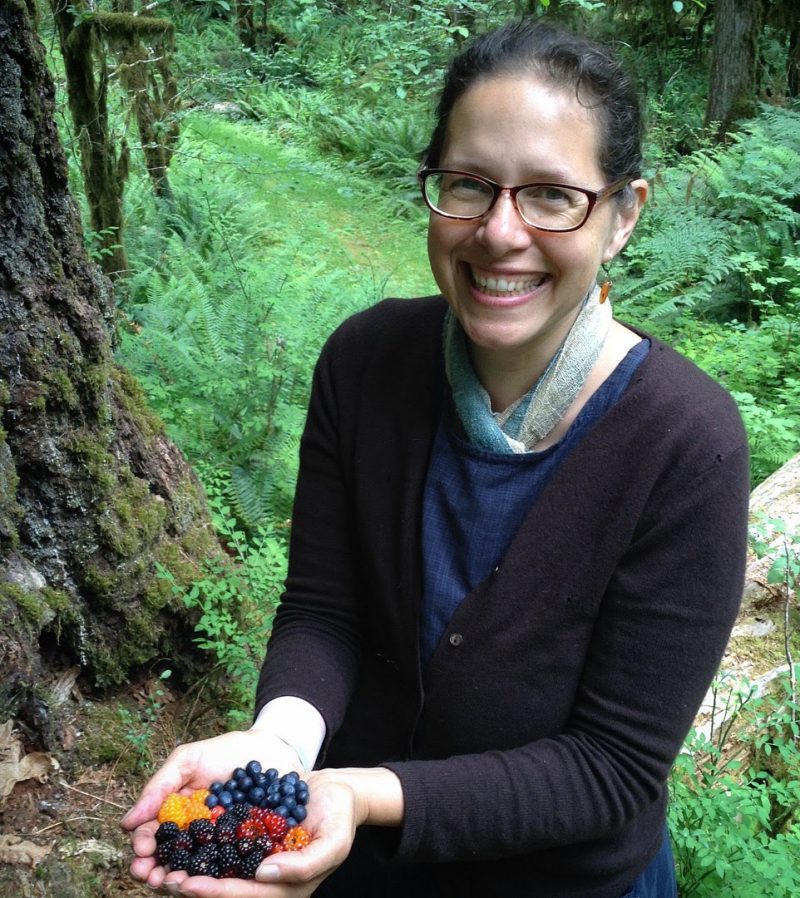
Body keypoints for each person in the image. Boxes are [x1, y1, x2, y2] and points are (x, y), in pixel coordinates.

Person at [122, 19, 750, 898]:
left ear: (622, 215)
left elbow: (611, 767)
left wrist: (361, 793)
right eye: (469, 185)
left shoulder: (686, 442)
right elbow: (325, 611)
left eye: (551, 197)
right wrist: (279, 748)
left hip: (560, 880)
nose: (499, 232)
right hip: (352, 853)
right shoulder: (364, 363)